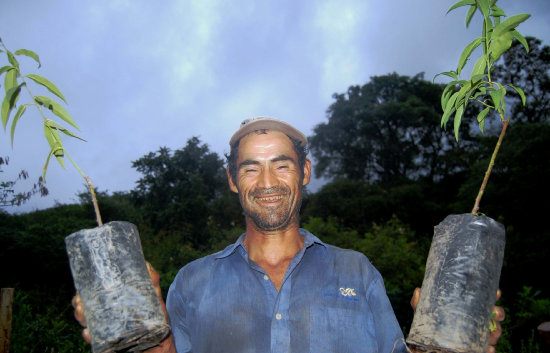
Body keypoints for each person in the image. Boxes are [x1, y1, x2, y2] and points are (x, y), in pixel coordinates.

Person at [73, 117, 504, 353]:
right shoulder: (191, 282)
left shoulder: (357, 270)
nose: (267, 181)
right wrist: (144, 335)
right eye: (250, 167)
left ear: (306, 173)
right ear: (231, 180)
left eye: (282, 164)